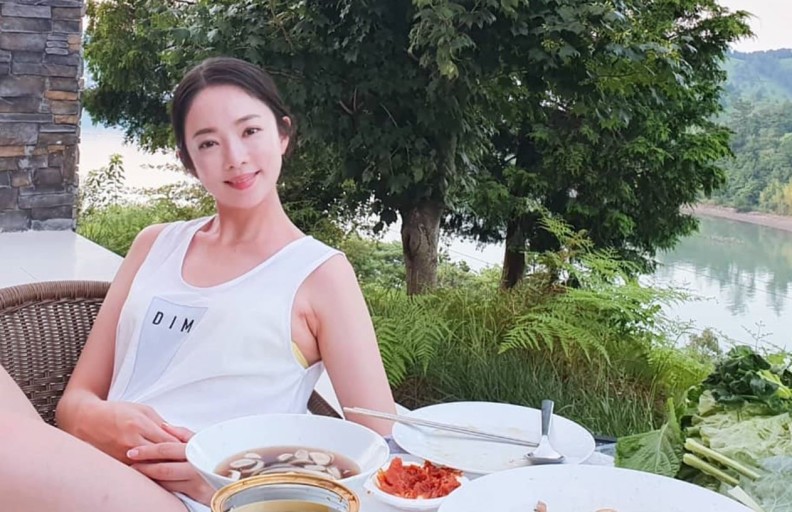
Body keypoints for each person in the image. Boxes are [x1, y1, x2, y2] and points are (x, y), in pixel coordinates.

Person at [0, 56, 396, 511]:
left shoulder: (319, 273)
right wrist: (101, 419)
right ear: (188, 161)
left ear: (283, 134)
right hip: (92, 467)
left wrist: (227, 477)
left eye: (250, 131)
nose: (235, 157)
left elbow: (380, 447)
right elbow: (73, 403)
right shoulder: (154, 245)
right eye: (208, 143)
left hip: (196, 499)